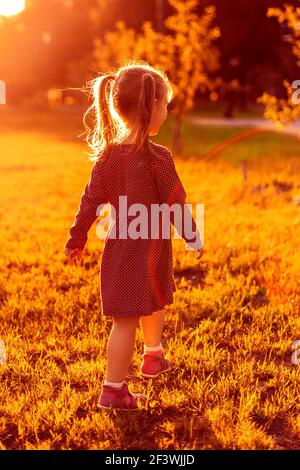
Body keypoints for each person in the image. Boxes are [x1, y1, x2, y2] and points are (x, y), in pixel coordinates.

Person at [64, 61, 205, 410]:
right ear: (150, 109)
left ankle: (153, 355)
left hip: (123, 253)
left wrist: (77, 238)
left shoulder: (108, 158)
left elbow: (90, 202)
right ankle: (113, 392)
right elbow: (175, 203)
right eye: (165, 105)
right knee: (134, 314)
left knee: (148, 304)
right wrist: (192, 236)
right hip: (145, 253)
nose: (167, 112)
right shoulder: (158, 157)